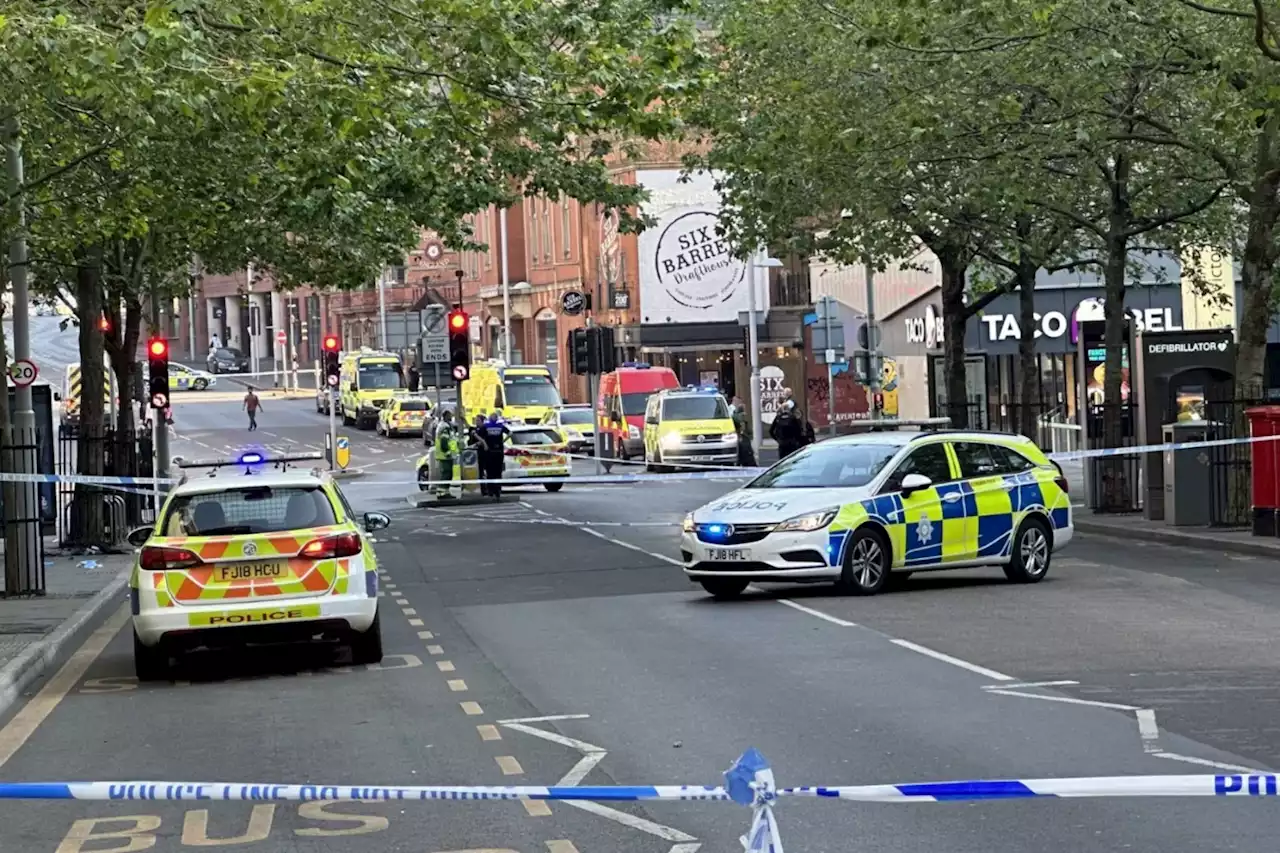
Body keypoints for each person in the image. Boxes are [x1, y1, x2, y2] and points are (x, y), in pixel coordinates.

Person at [475, 410, 511, 499]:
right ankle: (498, 491)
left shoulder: (486, 426)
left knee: (490, 472)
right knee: (498, 472)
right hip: (499, 452)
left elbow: (476, 434)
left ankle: (491, 491)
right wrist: (503, 441)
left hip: (489, 453)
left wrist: (484, 443)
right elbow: (510, 433)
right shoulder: (500, 426)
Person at [433, 410, 459, 499]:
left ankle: (444, 492)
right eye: (450, 415)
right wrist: (448, 453)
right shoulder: (445, 427)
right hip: (445, 455)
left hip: (444, 455)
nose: (451, 417)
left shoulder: (444, 426)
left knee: (447, 474)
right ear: (446, 416)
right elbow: (444, 441)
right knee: (447, 474)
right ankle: (442, 493)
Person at [730, 395, 756, 467]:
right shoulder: (742, 417)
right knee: (746, 452)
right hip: (743, 437)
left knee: (740, 453)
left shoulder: (734, 415)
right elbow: (746, 429)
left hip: (739, 436)